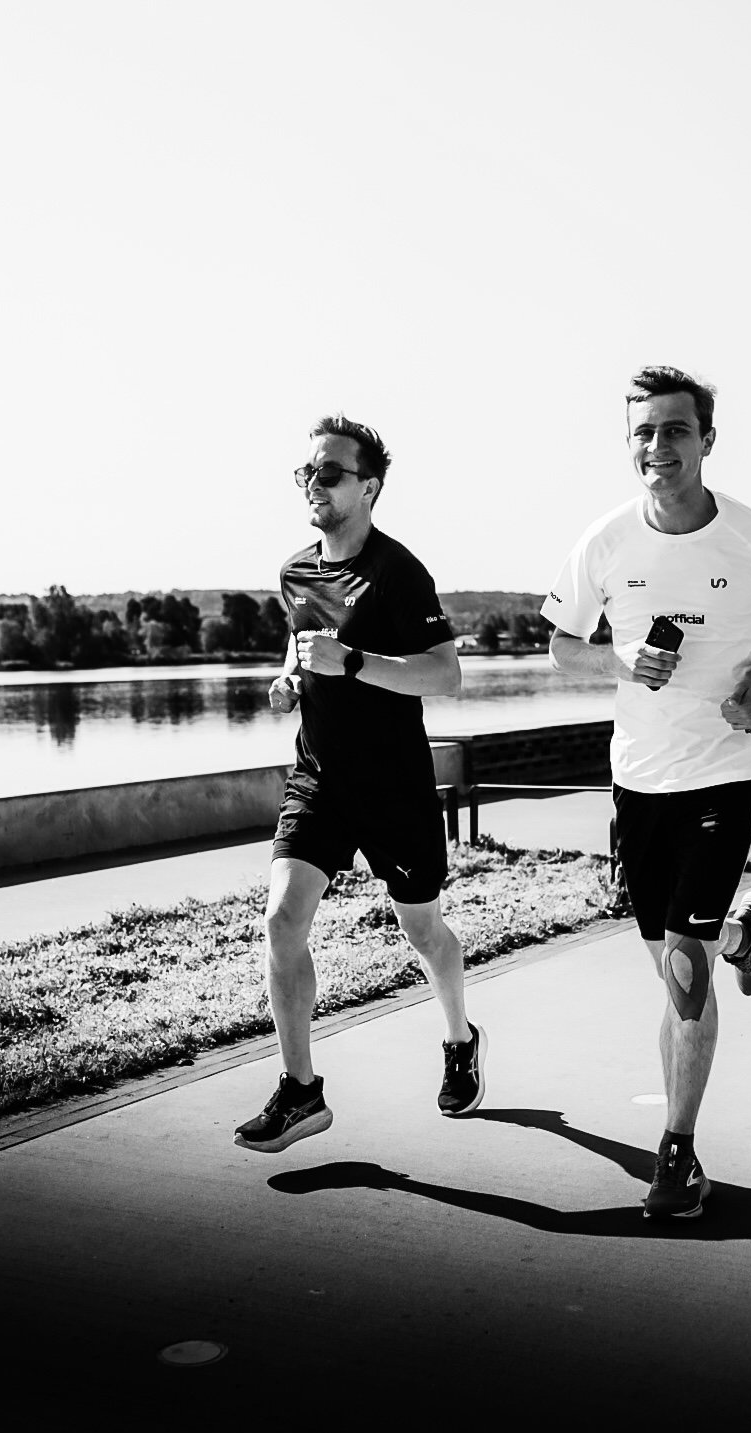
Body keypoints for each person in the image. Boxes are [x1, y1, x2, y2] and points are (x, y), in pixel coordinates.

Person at [541, 365, 751, 1220]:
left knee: (683, 974)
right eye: (644, 433)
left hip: (725, 767)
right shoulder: (605, 542)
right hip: (639, 779)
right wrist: (618, 660)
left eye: (676, 431)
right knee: (669, 949)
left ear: (707, 439)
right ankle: (743, 931)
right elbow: (561, 646)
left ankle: (679, 1153)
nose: (659, 447)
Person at [234, 415, 486, 1151]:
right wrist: (289, 678)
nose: (314, 483)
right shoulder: (294, 570)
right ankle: (301, 1091)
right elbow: (301, 644)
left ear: (369, 487)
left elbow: (447, 674)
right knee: (282, 920)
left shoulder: (400, 573)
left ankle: (459, 1037)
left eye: (331, 473)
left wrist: (352, 662)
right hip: (319, 778)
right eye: (306, 471)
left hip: (395, 789)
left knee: (423, 931)